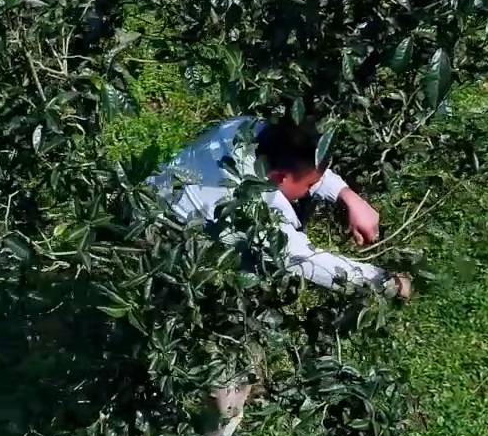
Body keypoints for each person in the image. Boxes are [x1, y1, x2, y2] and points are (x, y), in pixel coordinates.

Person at [151, 116, 412, 299]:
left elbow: (301, 163)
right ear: (278, 179)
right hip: (165, 245)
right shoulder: (250, 211)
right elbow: (307, 261)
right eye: (311, 183)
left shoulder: (243, 128)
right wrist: (386, 281)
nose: (314, 186)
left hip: (155, 192)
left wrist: (348, 195)